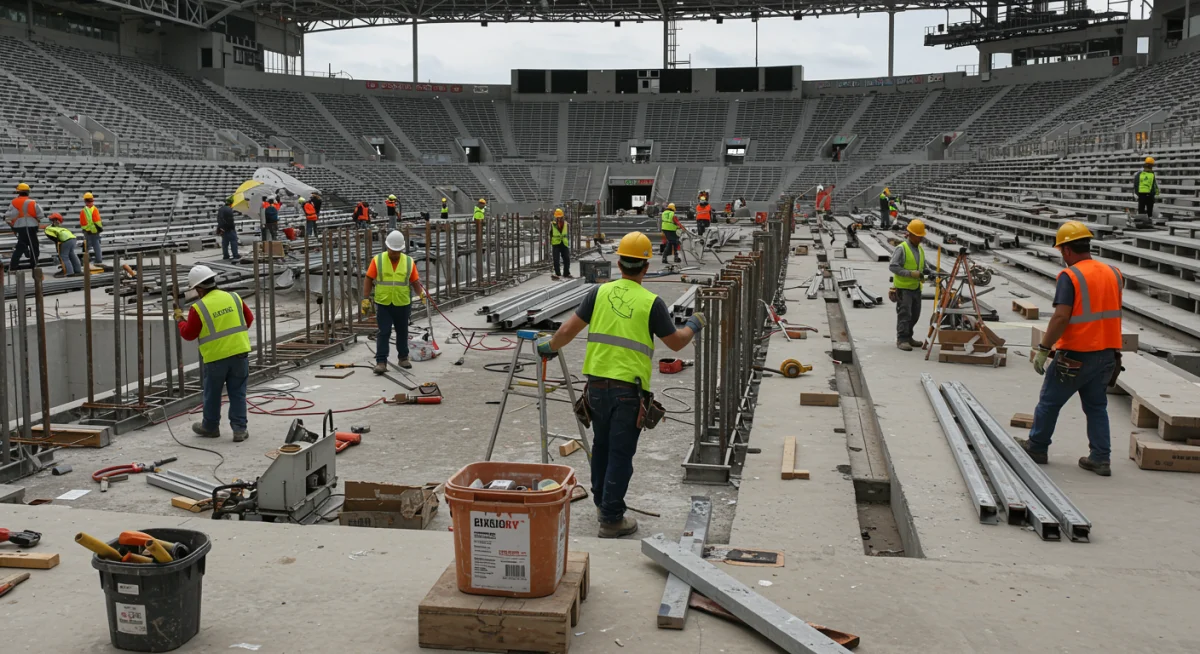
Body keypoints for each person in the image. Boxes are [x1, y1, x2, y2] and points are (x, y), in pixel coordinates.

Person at [537, 232, 705, 538]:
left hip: (596, 389)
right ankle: (612, 519)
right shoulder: (651, 303)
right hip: (628, 392)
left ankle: (603, 502)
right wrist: (694, 324)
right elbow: (677, 344)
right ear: (645, 265)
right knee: (620, 454)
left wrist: (549, 346)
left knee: (601, 446)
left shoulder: (598, 294)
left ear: (619, 263)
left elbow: (565, 331)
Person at [1019, 222, 1123, 477]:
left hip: (1076, 354)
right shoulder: (1114, 272)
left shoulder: (1070, 276)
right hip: (1108, 353)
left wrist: (1044, 347)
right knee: (1097, 406)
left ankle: (1037, 447)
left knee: (1049, 402)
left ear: (1066, 250)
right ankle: (1100, 458)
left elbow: (1061, 317)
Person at [177, 265, 254, 442]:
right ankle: (239, 430)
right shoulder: (234, 297)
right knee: (238, 392)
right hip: (239, 353)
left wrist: (180, 320)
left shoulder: (199, 307)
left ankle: (210, 427)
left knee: (212, 393)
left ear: (198, 288)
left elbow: (189, 334)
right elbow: (248, 320)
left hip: (216, 358)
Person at [362, 230, 427, 371]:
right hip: (384, 302)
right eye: (393, 251)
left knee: (402, 331)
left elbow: (414, 280)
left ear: (401, 249)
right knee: (384, 332)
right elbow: (368, 278)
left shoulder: (408, 261)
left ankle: (403, 358)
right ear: (388, 248)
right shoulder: (378, 260)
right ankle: (381, 362)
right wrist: (365, 299)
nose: (395, 254)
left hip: (402, 303)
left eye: (397, 251)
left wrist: (421, 294)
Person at [888, 219, 936, 351]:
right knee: (905, 314)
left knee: (915, 314)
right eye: (918, 236)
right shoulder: (902, 248)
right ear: (911, 234)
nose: (921, 239)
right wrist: (910, 274)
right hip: (904, 289)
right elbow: (893, 266)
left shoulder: (919, 249)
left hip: (916, 288)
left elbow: (923, 266)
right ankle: (902, 339)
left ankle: (909, 336)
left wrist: (930, 272)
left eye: (921, 236)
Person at [7, 182, 44, 270]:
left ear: (18, 192)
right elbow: (40, 215)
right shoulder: (32, 202)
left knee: (20, 246)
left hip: (19, 228)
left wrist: (13, 225)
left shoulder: (13, 202)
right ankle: (34, 264)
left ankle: (13, 265)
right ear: (28, 192)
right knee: (34, 245)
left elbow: (8, 216)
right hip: (31, 227)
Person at [78, 191, 102, 267]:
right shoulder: (95, 209)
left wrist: (86, 229)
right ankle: (98, 259)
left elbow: (82, 222)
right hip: (95, 230)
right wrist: (99, 229)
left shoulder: (84, 210)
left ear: (85, 201)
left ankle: (86, 260)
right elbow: (97, 221)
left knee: (87, 246)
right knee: (96, 245)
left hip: (88, 231)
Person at [551, 208, 571, 278]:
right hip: (556, 243)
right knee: (556, 259)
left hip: (564, 243)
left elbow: (568, 233)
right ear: (555, 217)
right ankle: (558, 273)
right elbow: (550, 234)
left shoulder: (566, 224)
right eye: (557, 217)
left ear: (562, 216)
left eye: (560, 217)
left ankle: (566, 273)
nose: (559, 218)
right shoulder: (552, 224)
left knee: (567, 258)